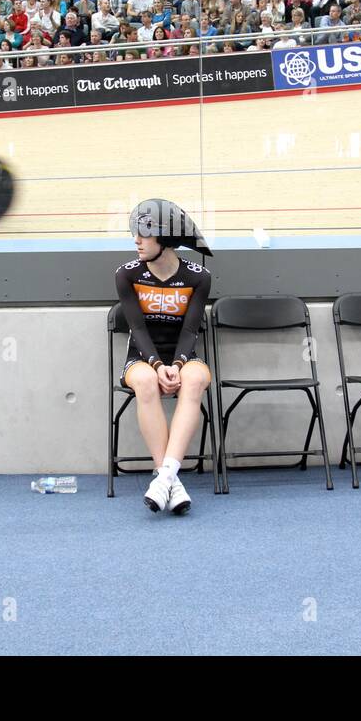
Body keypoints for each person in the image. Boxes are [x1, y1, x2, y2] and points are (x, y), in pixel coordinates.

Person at [115, 199, 214, 515]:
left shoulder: (199, 277)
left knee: (196, 378)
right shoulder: (126, 275)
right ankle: (171, 480)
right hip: (143, 357)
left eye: (145, 234)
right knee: (144, 381)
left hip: (183, 356)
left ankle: (165, 477)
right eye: (136, 233)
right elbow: (138, 329)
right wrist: (157, 365)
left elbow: (190, 331)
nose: (137, 241)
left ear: (166, 239)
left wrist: (178, 364)